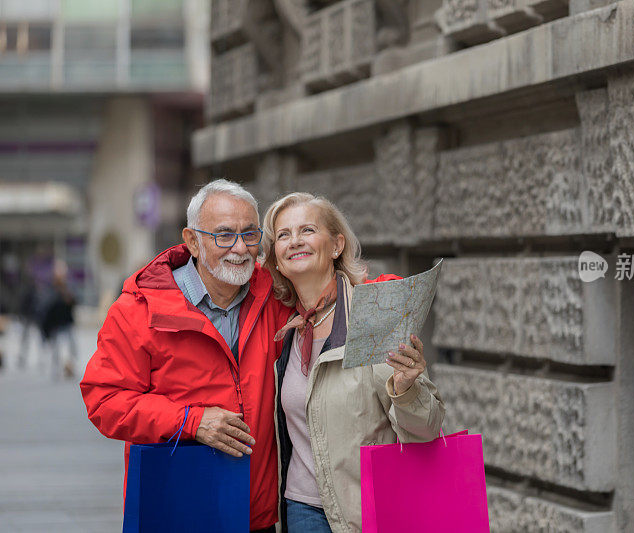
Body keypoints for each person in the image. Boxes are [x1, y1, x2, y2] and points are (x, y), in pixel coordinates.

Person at [80, 179, 294, 533]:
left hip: (255, 515)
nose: (240, 248)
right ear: (192, 241)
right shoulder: (138, 310)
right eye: (224, 235)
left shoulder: (274, 296)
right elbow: (103, 400)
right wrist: (190, 420)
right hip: (176, 506)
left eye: (250, 234)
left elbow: (332, 294)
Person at [263, 192, 446, 533]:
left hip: (371, 514)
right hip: (301, 510)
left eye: (307, 230)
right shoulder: (283, 330)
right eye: (283, 235)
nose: (294, 241)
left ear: (336, 245)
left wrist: (406, 390)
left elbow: (427, 431)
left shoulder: (375, 317)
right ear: (276, 256)